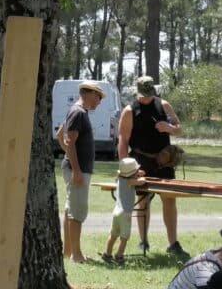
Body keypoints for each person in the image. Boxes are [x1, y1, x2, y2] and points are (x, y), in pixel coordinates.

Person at [117, 75, 187, 257]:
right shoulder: (129, 111)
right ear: (137, 93)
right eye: (144, 94)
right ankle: (143, 241)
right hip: (141, 161)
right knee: (143, 202)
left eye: (150, 93)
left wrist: (170, 128)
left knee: (169, 200)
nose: (147, 97)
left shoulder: (164, 105)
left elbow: (179, 128)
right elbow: (123, 141)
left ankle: (173, 243)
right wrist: (126, 167)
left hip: (165, 161)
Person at [57, 80, 106, 264]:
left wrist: (69, 159)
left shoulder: (76, 111)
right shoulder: (78, 112)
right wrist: (76, 169)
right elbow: (69, 141)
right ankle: (76, 255)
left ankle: (68, 251)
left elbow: (60, 134)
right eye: (98, 97)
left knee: (71, 209)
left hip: (75, 168)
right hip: (78, 170)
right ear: (88, 93)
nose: (99, 101)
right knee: (77, 212)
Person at [101, 157, 144, 266]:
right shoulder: (130, 181)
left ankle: (107, 253)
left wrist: (136, 173)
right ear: (132, 173)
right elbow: (141, 182)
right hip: (125, 213)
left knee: (113, 235)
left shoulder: (120, 179)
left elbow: (129, 176)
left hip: (116, 211)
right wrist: (140, 177)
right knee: (124, 237)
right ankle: (119, 256)